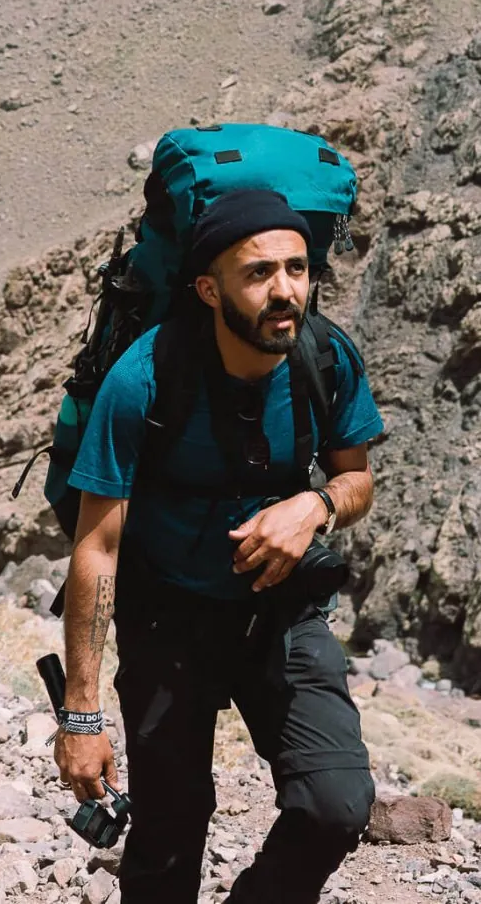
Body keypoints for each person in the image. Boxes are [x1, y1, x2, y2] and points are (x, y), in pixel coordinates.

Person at [52, 187, 384, 904]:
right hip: (167, 616)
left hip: (279, 614)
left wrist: (314, 505)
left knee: (336, 804)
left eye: (296, 269)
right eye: (258, 273)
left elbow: (357, 481)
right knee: (170, 832)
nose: (284, 290)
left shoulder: (325, 359)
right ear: (207, 288)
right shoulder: (144, 378)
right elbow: (98, 545)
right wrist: (80, 718)